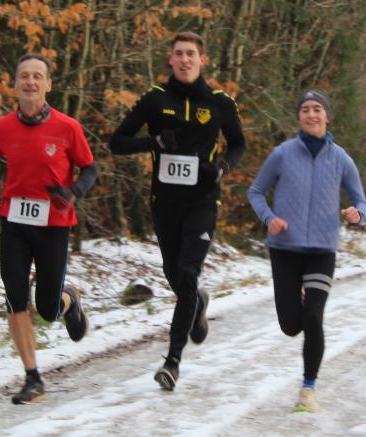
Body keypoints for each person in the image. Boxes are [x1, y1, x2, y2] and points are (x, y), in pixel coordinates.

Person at [109, 31, 246, 391]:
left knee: (187, 272)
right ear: (169, 59)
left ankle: (172, 361)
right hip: (165, 202)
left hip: (203, 201)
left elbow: (238, 144)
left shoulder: (219, 102)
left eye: (191, 54)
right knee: (178, 279)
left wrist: (222, 169)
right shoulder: (155, 99)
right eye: (178, 54)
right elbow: (116, 142)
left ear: (202, 60)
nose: (184, 60)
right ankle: (196, 304)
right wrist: (151, 142)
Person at [0, 53, 98, 404]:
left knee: (48, 310)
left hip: (54, 225)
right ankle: (32, 378)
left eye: (37, 76)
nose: (30, 82)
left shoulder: (67, 127)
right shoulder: (1, 128)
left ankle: (70, 302)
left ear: (48, 84)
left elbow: (90, 169)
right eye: (24, 75)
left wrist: (73, 193)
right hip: (14, 223)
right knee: (14, 298)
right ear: (14, 84)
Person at [248, 90, 366, 413]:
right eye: (305, 110)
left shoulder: (341, 158)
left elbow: (362, 202)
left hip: (321, 250)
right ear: (299, 117)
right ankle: (298, 301)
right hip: (284, 249)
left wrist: (357, 214)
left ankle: (308, 389)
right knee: (291, 325)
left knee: (314, 317)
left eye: (317, 109)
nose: (312, 114)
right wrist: (269, 218)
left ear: (327, 116)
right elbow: (257, 191)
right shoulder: (283, 154)